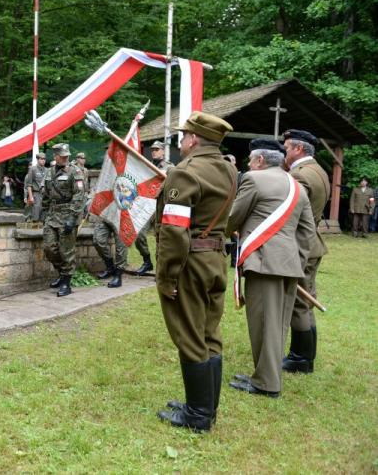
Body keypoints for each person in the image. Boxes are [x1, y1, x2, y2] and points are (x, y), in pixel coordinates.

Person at [155, 112, 237, 432]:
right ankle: (205, 406)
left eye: (184, 136)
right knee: (209, 335)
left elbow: (175, 230)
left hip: (189, 262)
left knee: (189, 336)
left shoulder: (184, 172)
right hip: (216, 259)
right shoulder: (230, 170)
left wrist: (166, 275)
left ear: (192, 139)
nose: (181, 141)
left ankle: (198, 415)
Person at [226, 139, 315, 398]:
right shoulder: (297, 187)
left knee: (263, 324)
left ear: (260, 161)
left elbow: (233, 216)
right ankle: (267, 375)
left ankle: (266, 383)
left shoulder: (254, 179)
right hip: (288, 264)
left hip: (264, 263)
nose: (249, 164)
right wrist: (293, 260)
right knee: (277, 325)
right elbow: (307, 233)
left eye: (251, 160)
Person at [281, 129, 331, 374]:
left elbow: (291, 213)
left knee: (299, 302)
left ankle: (300, 358)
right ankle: (305, 355)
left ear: (298, 149)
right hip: (313, 242)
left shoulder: (300, 176)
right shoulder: (318, 170)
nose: (284, 151)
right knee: (306, 298)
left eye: (287, 147)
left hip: (301, 244)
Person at [42, 143, 86, 297]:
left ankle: (66, 282)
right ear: (55, 156)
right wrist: (43, 212)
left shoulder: (75, 171)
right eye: (62, 156)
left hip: (68, 215)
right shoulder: (49, 172)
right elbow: (46, 193)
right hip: (52, 215)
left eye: (67, 155)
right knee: (49, 248)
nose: (65, 158)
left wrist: (72, 218)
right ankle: (62, 273)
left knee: (66, 250)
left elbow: (80, 196)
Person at [133, 141, 174, 275]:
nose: (154, 152)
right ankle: (147, 261)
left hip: (161, 207)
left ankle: (160, 270)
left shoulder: (170, 167)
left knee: (160, 239)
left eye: (157, 149)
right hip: (147, 206)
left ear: (163, 151)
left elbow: (174, 185)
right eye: (152, 150)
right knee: (138, 234)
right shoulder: (147, 165)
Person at [26, 153, 47, 222]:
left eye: (44, 159)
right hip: (36, 193)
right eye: (41, 159)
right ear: (38, 159)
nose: (43, 161)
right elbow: (29, 185)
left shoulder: (47, 170)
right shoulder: (32, 169)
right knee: (35, 214)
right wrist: (31, 197)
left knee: (44, 214)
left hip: (45, 195)